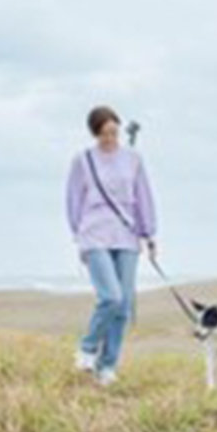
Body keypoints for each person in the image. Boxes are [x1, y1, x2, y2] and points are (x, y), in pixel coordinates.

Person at [65, 105, 157, 386]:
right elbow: (73, 200)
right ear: (95, 134)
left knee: (124, 305)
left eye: (115, 133)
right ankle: (88, 347)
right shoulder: (82, 160)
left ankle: (107, 367)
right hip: (94, 233)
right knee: (111, 297)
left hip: (127, 235)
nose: (111, 139)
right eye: (105, 134)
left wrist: (149, 234)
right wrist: (78, 236)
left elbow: (143, 197)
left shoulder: (133, 159)